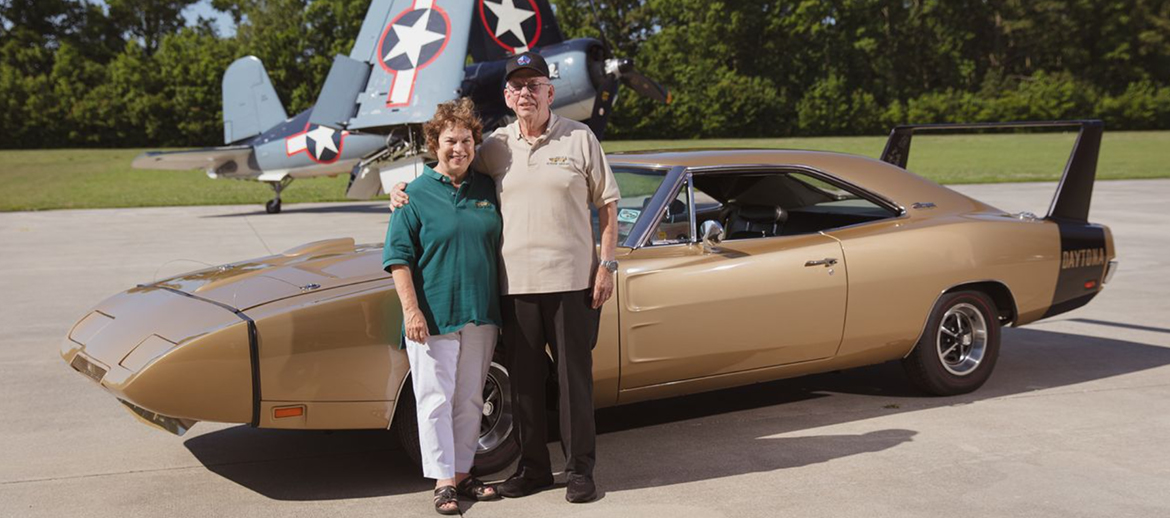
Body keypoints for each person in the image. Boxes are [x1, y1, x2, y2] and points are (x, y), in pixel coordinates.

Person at [391, 52, 621, 504]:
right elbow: (447, 168)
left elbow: (608, 206)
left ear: (549, 92)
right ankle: (534, 469)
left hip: (574, 281)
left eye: (534, 85)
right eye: (517, 87)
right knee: (527, 383)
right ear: (507, 96)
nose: (525, 94)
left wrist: (607, 264)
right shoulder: (495, 145)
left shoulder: (580, 137)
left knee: (575, 382)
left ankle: (579, 471)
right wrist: (400, 189)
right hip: (515, 287)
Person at [382, 98, 503, 515]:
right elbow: (398, 259)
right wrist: (411, 312)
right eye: (451, 140)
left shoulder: (487, 189)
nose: (460, 149)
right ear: (434, 143)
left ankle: (465, 473)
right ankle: (443, 481)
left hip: (480, 314)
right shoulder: (411, 196)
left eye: (467, 141)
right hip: (433, 315)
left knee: (470, 398)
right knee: (434, 399)